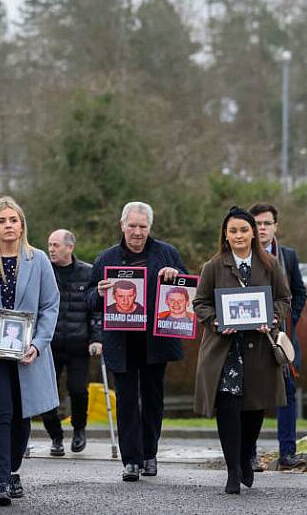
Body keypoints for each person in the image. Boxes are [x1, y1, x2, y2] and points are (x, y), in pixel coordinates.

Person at [0, 196, 60, 506]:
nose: (8, 225)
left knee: (21, 416)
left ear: (21, 225)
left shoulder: (39, 259)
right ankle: (2, 481)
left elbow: (50, 305)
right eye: (2, 220)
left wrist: (38, 345)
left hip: (27, 353)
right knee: (0, 414)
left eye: (13, 220)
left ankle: (13, 468)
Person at [87, 201, 188, 481]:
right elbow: (89, 301)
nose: (137, 232)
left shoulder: (167, 253)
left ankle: (149, 454)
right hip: (121, 342)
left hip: (156, 341)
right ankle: (130, 460)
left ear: (150, 228)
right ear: (122, 225)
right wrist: (99, 293)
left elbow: (188, 291)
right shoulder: (106, 259)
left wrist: (175, 277)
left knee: (154, 400)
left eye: (142, 226)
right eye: (132, 225)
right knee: (128, 401)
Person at [193, 206, 290, 494]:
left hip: (259, 348)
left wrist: (272, 317)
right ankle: (233, 469)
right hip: (225, 350)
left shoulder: (271, 265)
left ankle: (247, 455)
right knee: (228, 407)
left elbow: (285, 298)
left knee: (254, 409)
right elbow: (200, 303)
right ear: (225, 233)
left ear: (253, 233)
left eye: (243, 230)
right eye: (233, 230)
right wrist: (216, 321)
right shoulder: (213, 266)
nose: (238, 235)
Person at [249, 202, 307, 471]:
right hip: (250, 335)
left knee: (288, 393)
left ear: (275, 226)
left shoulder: (289, 257)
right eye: (257, 223)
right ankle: (249, 455)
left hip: (282, 335)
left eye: (267, 223)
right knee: (251, 395)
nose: (262, 228)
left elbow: (299, 292)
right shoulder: (243, 256)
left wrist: (288, 321)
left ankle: (288, 453)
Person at [41, 229, 102, 457]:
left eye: (56, 245)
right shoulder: (43, 271)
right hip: (49, 345)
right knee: (46, 393)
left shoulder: (87, 273)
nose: (51, 249)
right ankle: (55, 435)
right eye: (50, 245)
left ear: (70, 247)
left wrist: (96, 338)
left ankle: (79, 430)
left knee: (78, 390)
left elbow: (96, 309)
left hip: (78, 344)